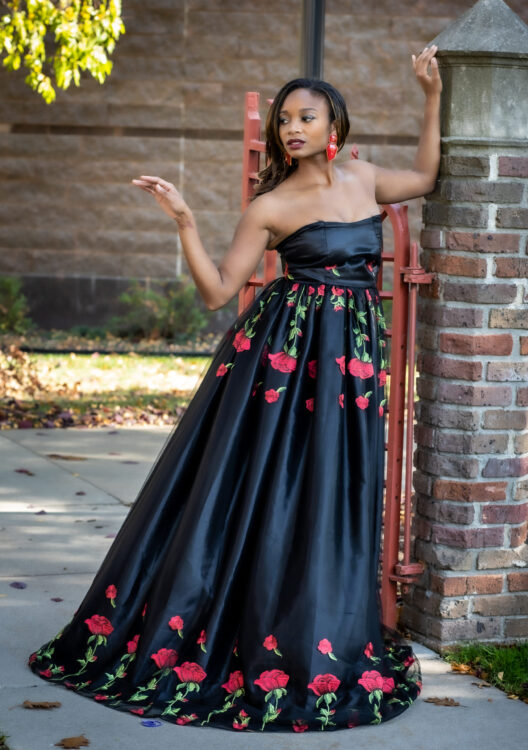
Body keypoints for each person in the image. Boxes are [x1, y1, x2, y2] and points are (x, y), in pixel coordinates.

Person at [28, 45, 442, 733]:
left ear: (333, 121)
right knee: (267, 488)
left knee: (334, 491)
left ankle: (327, 625)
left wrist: (431, 93)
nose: (292, 129)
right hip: (284, 365)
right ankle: (252, 622)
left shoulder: (365, 179)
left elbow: (427, 176)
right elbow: (219, 290)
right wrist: (186, 222)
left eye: (305, 117)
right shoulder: (271, 205)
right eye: (284, 120)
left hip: (352, 365)